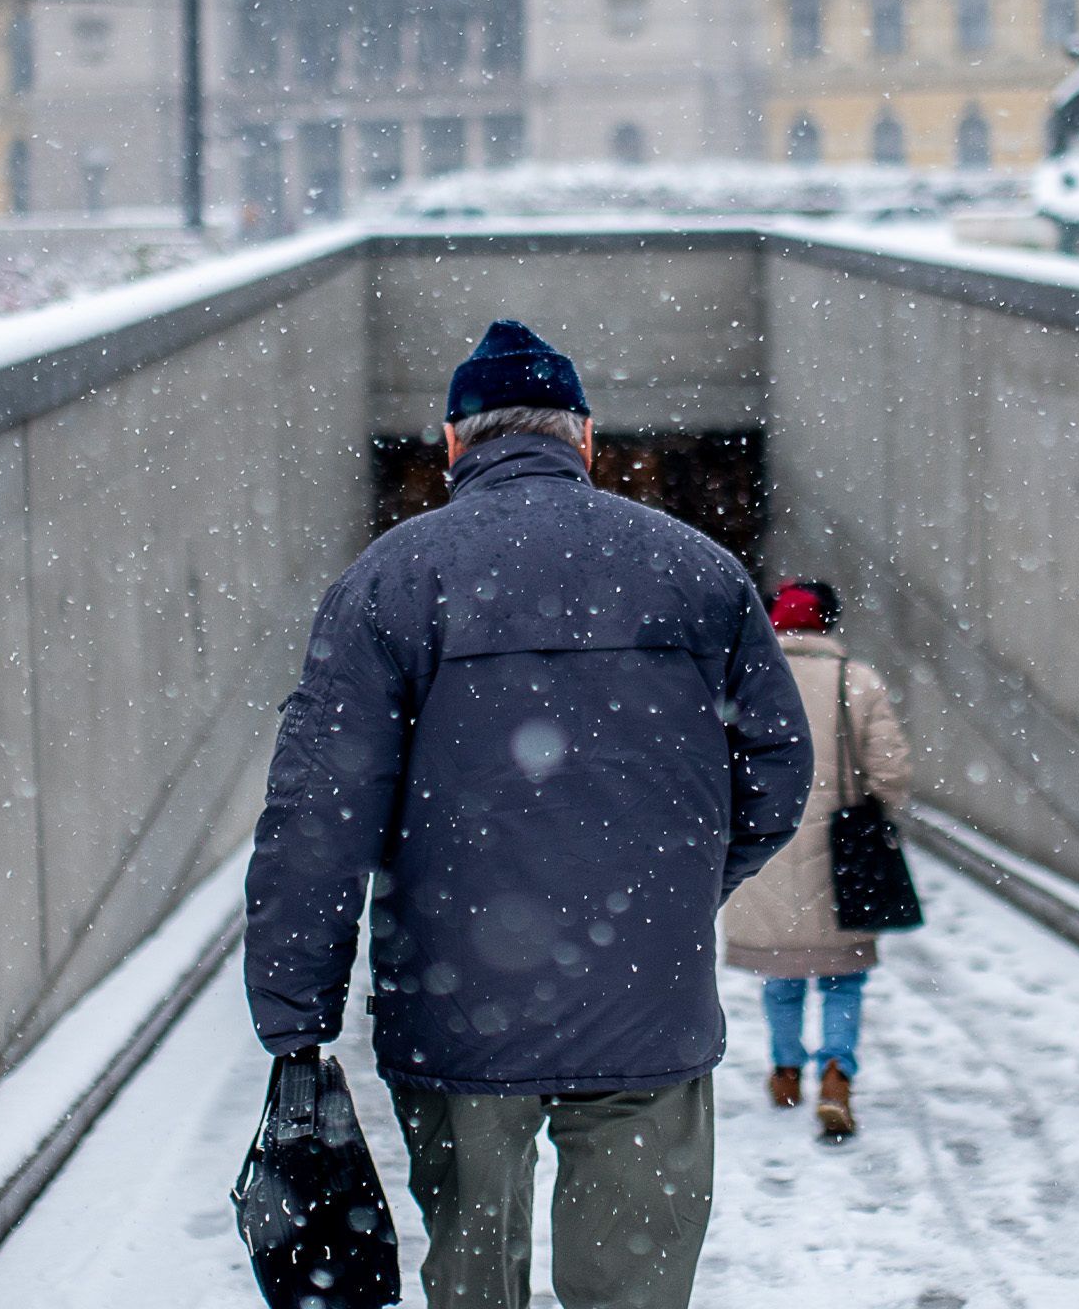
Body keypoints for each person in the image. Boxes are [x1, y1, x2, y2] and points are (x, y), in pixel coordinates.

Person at [246, 319, 815, 1309]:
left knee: (470, 1278)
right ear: (582, 438)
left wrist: (295, 1017)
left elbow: (316, 819)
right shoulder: (696, 573)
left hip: (457, 1009)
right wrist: (675, 893)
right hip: (645, 1002)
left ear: (452, 442)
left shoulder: (386, 585)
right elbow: (775, 769)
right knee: (633, 1287)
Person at [717, 580, 913, 1142]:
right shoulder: (857, 681)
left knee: (780, 974)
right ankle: (836, 1073)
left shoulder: (747, 681)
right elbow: (891, 770)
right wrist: (874, 808)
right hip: (843, 851)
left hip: (765, 842)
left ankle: (784, 1071)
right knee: (841, 974)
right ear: (827, 624)